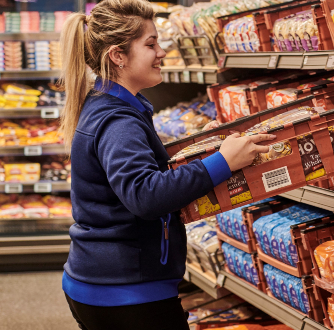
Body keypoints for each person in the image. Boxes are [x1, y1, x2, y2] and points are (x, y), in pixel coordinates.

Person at [59, 1, 274, 329]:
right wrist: (222, 163)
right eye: (150, 44)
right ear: (117, 56)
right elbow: (144, 195)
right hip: (127, 291)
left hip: (104, 280)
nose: (162, 51)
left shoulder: (108, 104)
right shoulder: (118, 120)